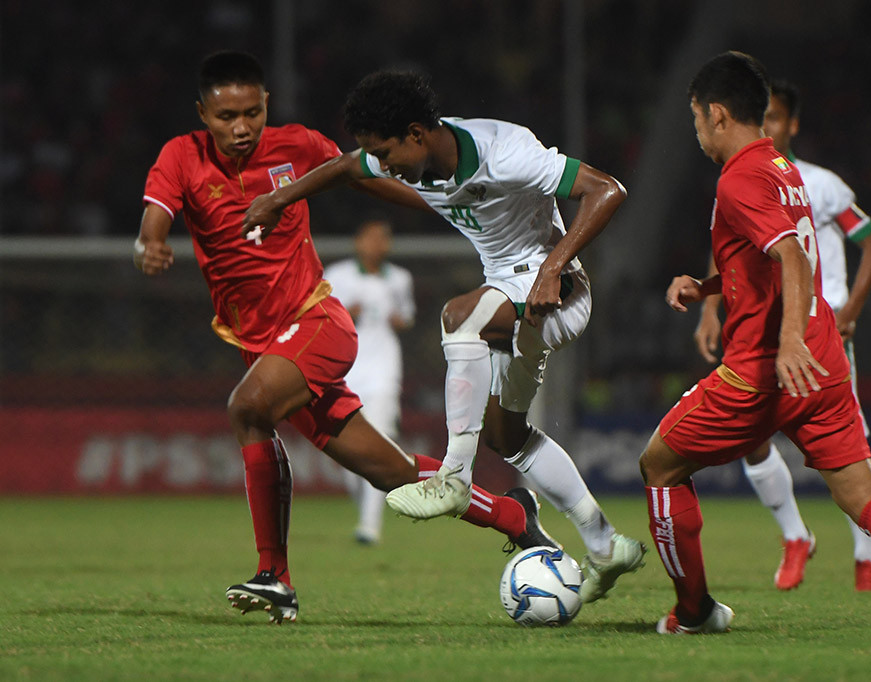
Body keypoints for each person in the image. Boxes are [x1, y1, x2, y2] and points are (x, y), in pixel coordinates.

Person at [134, 51, 559, 624]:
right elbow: (154, 221)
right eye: (225, 115)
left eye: (251, 113)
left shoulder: (300, 146)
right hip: (262, 343)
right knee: (389, 472)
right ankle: (514, 516)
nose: (240, 127)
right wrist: (149, 245)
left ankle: (274, 576)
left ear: (266, 105)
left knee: (248, 408)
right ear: (202, 114)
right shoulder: (180, 158)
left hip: (317, 324)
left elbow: (379, 177)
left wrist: (456, 207)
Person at [243, 70, 646, 603]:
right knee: (509, 437)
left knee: (459, 316)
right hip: (510, 295)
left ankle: (454, 475)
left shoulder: (505, 151)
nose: (384, 168)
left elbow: (607, 190)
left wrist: (554, 266)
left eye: (387, 154)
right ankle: (604, 543)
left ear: (417, 133)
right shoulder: (411, 158)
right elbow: (345, 166)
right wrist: (281, 199)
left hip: (558, 290)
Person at [639, 51, 871, 635]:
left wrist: (787, 339)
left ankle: (694, 610)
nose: (696, 130)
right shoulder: (783, 167)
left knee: (659, 466)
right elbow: (769, 259)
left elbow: (792, 256)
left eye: (696, 118)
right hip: (823, 364)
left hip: (764, 368)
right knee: (864, 497)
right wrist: (709, 287)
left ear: (717, 114)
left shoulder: (739, 177)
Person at [693, 79, 871, 592]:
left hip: (813, 332)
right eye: (767, 118)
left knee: (849, 450)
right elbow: (730, 251)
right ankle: (795, 536)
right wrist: (710, 307)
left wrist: (850, 309)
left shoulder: (819, 184)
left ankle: (867, 557)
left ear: (792, 124)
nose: (772, 127)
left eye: (780, 118)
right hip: (760, 331)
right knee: (751, 442)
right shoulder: (739, 177)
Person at [323, 218, 415, 545]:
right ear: (359, 241)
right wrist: (347, 312)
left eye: (383, 239)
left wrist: (397, 320)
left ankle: (369, 525)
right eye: (372, 238)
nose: (378, 245)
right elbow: (320, 315)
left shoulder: (400, 278)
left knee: (382, 438)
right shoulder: (337, 275)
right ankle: (365, 509)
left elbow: (406, 317)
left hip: (385, 366)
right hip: (345, 366)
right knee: (345, 444)